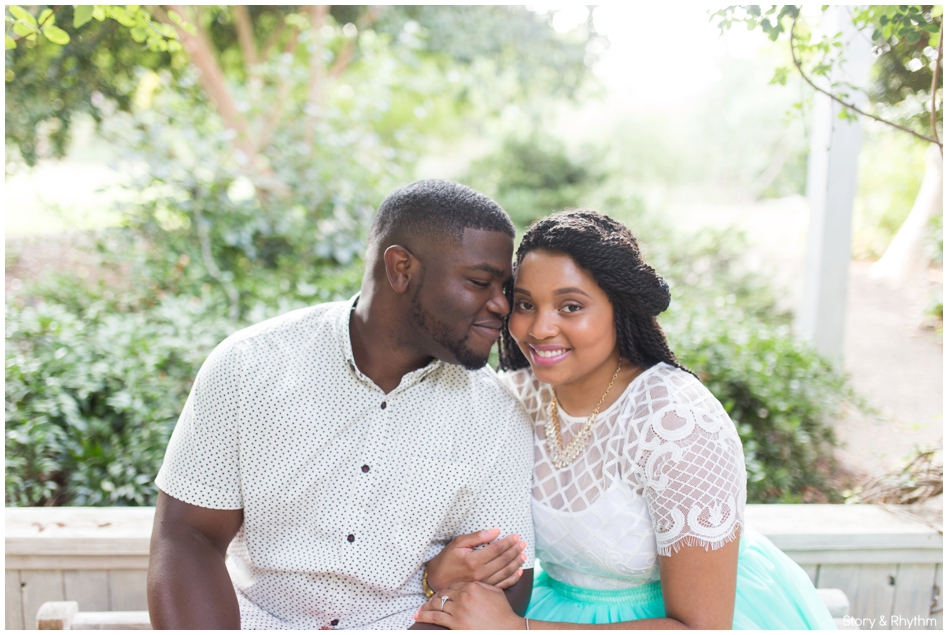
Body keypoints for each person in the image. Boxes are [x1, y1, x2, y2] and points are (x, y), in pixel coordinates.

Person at [416, 210, 837, 630]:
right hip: (554, 607)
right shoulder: (515, 396)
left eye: (570, 306)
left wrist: (518, 630)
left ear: (620, 308)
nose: (540, 328)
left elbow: (703, 627)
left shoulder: (676, 423)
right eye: (526, 304)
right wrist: (438, 572)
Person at [147, 180, 536, 629]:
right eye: (479, 282)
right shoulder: (248, 367)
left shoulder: (497, 414)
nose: (502, 305)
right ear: (401, 268)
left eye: (504, 287)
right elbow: (188, 536)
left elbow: (504, 580)